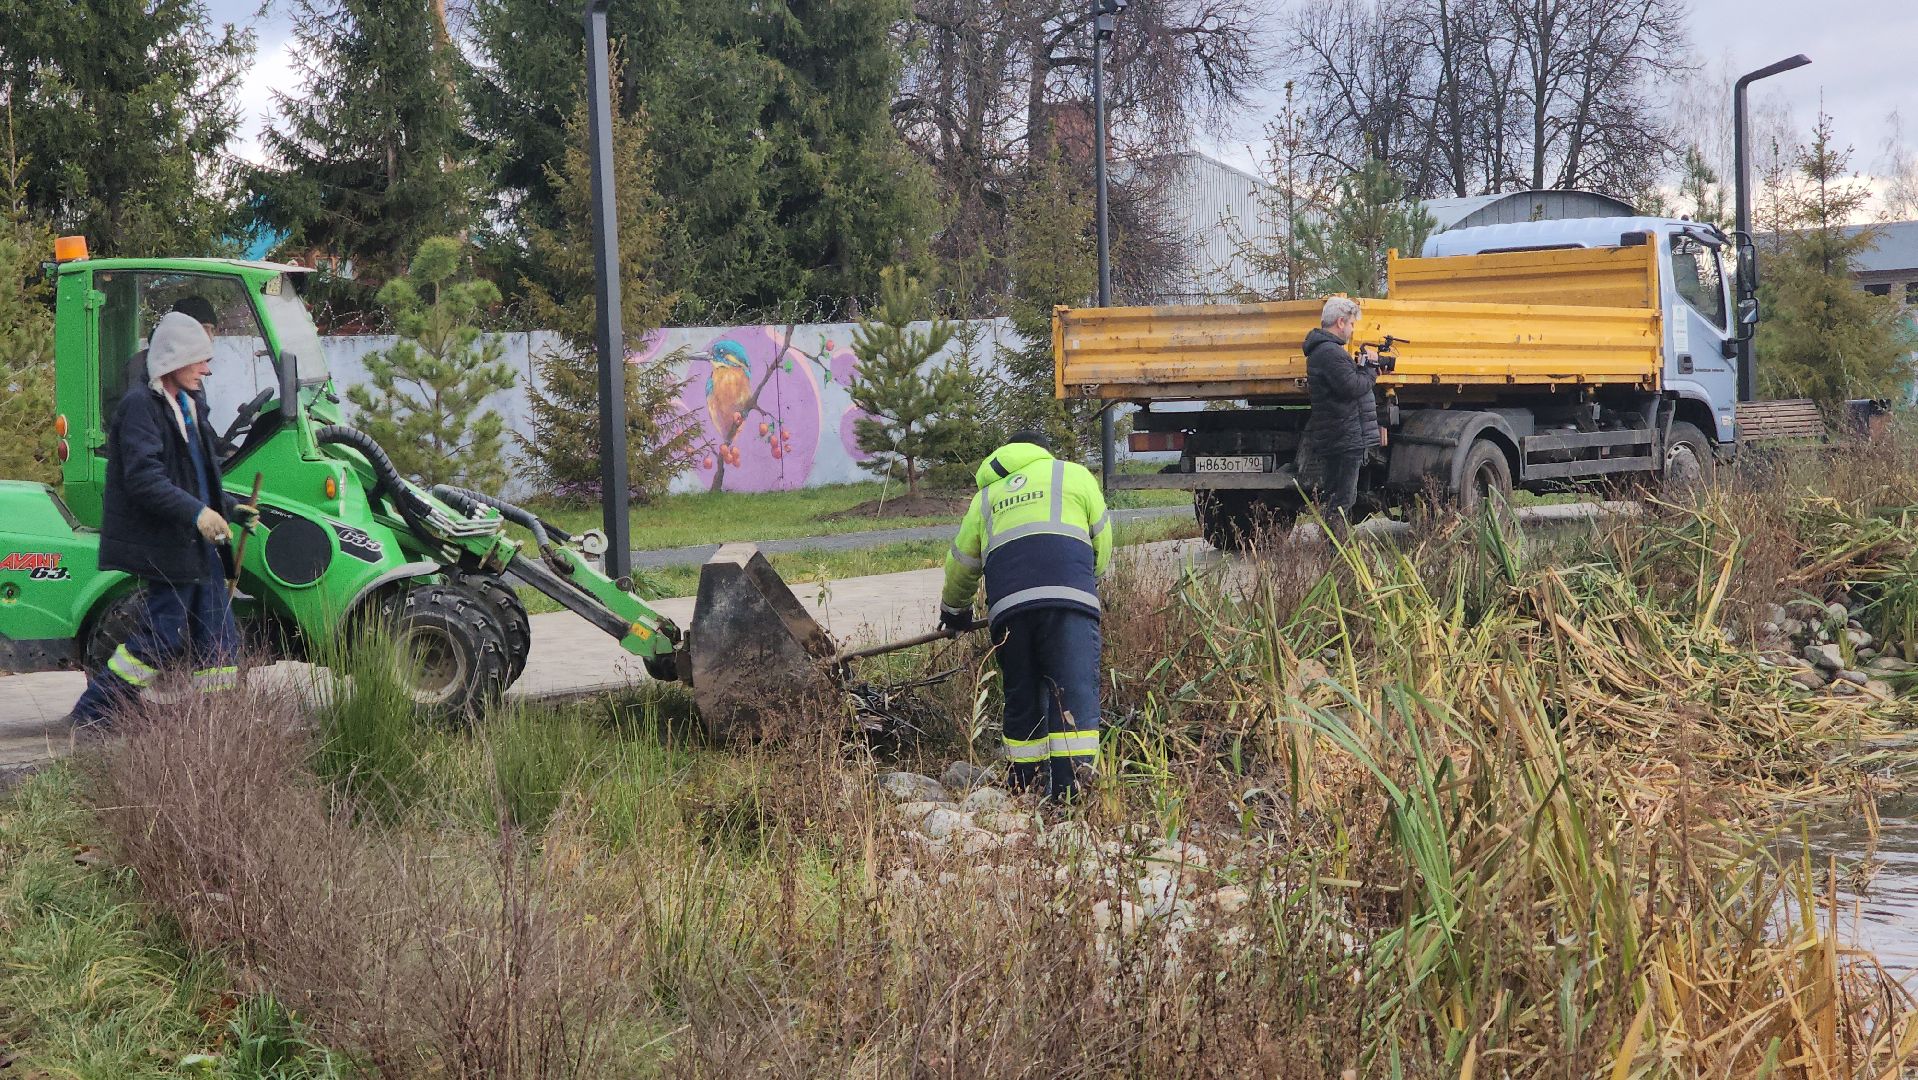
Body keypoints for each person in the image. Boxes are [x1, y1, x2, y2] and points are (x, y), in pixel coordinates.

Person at [68, 311, 256, 729]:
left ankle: (217, 724)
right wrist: (197, 513)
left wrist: (230, 509)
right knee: (163, 636)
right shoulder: (141, 407)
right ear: (173, 360)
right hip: (168, 545)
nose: (207, 369)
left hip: (197, 546)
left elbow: (197, 476)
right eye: (200, 360)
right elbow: (144, 480)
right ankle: (93, 714)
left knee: (219, 638)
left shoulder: (190, 404)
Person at [939, 431, 1111, 800]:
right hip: (1069, 601)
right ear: (1043, 452)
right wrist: (1087, 580)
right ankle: (1070, 795)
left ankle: (1023, 786)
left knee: (1023, 694)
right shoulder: (1072, 475)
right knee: (1073, 693)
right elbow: (1102, 540)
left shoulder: (985, 497)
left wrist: (954, 611)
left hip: (1009, 611)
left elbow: (962, 564)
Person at [1300, 296, 1385, 539]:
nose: (1352, 330)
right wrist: (1370, 369)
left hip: (1340, 435)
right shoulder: (1329, 352)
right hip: (1344, 437)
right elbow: (1353, 386)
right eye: (1351, 324)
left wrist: (1361, 368)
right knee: (1342, 498)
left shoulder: (1325, 351)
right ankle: (1335, 551)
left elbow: (1346, 382)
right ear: (1340, 322)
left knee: (1337, 497)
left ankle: (1334, 547)